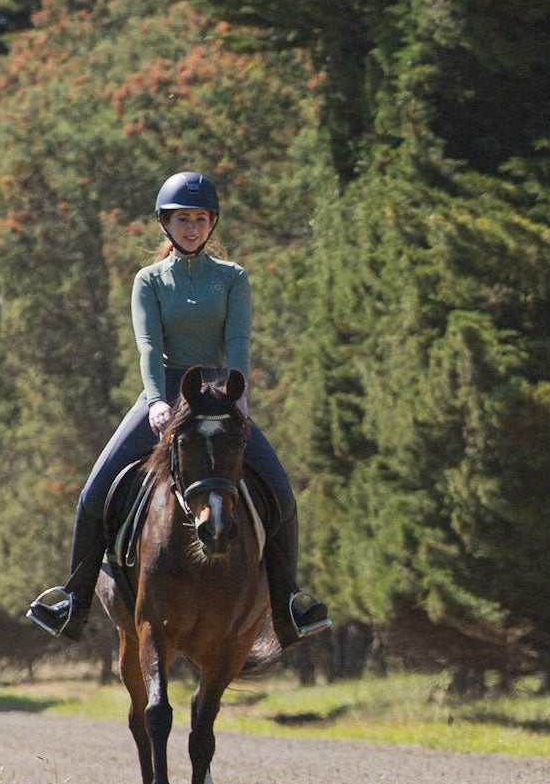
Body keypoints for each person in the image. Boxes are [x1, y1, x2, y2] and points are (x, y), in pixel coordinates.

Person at [25, 171, 331, 647]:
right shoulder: (149, 280)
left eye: (200, 219)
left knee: (281, 492)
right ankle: (74, 601)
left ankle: (289, 604)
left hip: (220, 395)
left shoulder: (233, 278)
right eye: (182, 219)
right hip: (165, 392)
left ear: (212, 224)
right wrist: (154, 401)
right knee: (93, 492)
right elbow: (148, 344)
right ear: (166, 224)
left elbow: (237, 340)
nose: (192, 228)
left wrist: (240, 392)